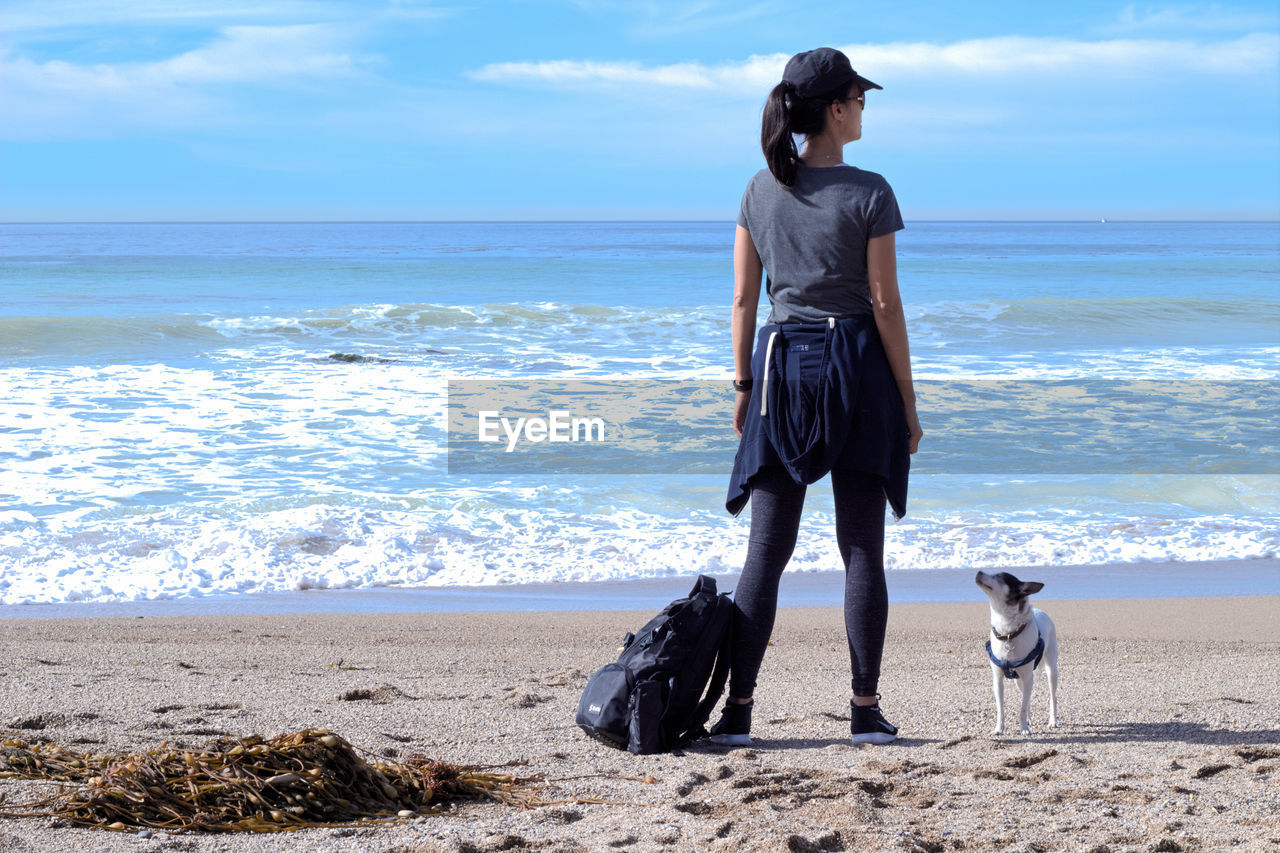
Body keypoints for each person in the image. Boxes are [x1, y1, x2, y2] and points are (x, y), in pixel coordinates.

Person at [711, 47, 923, 747]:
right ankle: (864, 710)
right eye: (859, 99)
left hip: (781, 365)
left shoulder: (757, 188)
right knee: (861, 545)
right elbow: (884, 303)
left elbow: (745, 298)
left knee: (765, 550)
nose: (864, 109)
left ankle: (738, 711)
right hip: (855, 369)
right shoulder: (870, 191)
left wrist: (744, 383)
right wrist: (907, 399)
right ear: (834, 109)